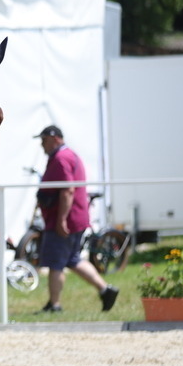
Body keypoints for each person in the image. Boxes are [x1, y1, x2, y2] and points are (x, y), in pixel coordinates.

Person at [34, 126, 119, 313]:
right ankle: (106, 290)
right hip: (74, 218)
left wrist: (61, 220)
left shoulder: (61, 158)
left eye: (44, 140)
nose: (42, 145)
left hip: (66, 220)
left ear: (54, 138)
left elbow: (67, 190)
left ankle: (54, 305)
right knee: (72, 259)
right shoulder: (68, 155)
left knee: (56, 262)